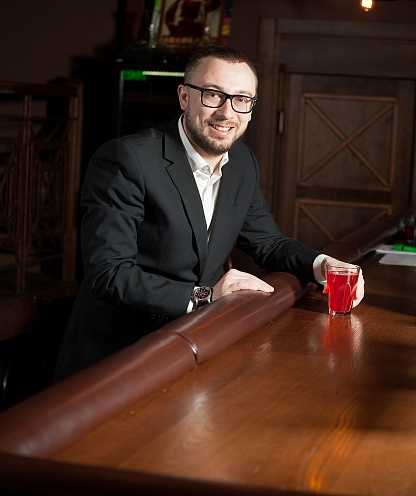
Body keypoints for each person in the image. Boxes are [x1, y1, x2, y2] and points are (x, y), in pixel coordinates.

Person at [55, 45, 364, 380]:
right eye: (213, 95)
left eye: (241, 99)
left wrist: (323, 264)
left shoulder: (242, 163)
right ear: (184, 97)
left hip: (194, 346)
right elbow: (109, 273)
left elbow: (269, 243)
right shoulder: (127, 159)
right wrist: (206, 295)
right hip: (117, 359)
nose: (227, 112)